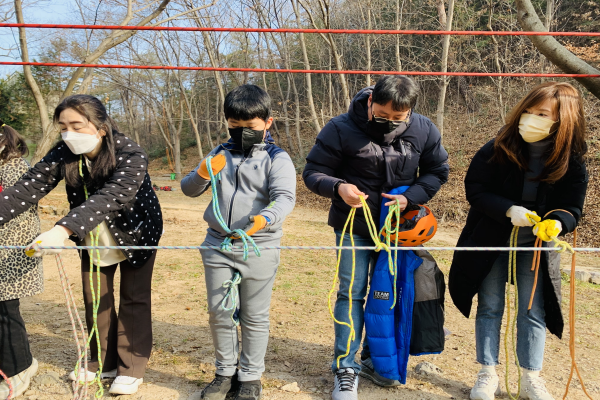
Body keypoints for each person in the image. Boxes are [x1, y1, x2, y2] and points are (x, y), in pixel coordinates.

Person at [0, 95, 163, 396]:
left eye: (76, 125)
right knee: (95, 297)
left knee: (133, 297)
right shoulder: (63, 153)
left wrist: (61, 230)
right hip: (91, 235)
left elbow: (112, 196)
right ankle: (101, 361)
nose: (68, 133)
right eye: (63, 126)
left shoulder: (131, 153)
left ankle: (131, 367)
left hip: (136, 233)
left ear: (100, 126)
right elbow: (27, 188)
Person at [303, 75, 449, 400]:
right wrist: (338, 187)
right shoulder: (340, 128)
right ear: (371, 102)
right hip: (353, 224)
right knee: (352, 292)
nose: (389, 123)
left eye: (398, 119)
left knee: (389, 294)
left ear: (410, 111)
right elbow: (313, 172)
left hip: (399, 230)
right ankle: (345, 366)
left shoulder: (424, 129)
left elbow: (437, 171)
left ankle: (376, 358)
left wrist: (410, 197)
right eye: (382, 116)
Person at [448, 82, 588, 400]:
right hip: (491, 240)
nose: (531, 118)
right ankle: (487, 373)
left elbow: (573, 208)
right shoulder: (498, 147)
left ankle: (531, 378)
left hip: (536, 248)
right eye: (529, 110)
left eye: (542, 114)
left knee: (533, 310)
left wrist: (557, 222)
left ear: (562, 121)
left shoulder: (572, 162)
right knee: (490, 306)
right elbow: (476, 189)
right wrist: (508, 210)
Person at [181, 84, 296, 400]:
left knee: (254, 315)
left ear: (267, 123)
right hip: (218, 245)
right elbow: (189, 189)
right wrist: (203, 173)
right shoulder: (219, 153)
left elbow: (284, 198)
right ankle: (224, 372)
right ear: (227, 123)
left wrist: (266, 219)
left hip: (260, 246)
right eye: (235, 127)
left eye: (251, 128)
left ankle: (250, 378)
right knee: (220, 311)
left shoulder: (277, 157)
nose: (242, 132)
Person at [0, 121, 42, 399]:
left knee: (5, 312)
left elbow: (21, 213)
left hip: (10, 253)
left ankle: (19, 368)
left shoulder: (15, 168)